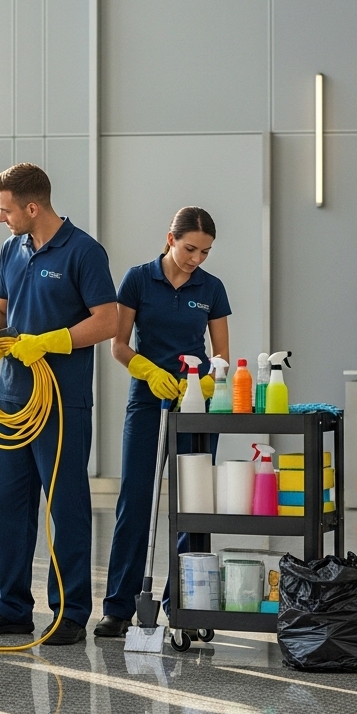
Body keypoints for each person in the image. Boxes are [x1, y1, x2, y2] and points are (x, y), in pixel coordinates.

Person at [0, 163, 118, 646]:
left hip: (62, 402)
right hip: (10, 399)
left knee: (65, 506)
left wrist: (50, 341)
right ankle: (10, 607)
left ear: (32, 207)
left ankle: (70, 612)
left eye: (6, 210)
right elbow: (0, 307)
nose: (0, 218)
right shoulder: (12, 249)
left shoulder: (84, 251)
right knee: (6, 503)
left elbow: (107, 320)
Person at [97, 206, 231, 639]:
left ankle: (186, 605)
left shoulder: (212, 288)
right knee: (135, 500)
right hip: (147, 400)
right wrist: (149, 372)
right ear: (170, 239)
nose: (196, 259)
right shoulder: (138, 280)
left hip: (195, 404)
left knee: (193, 505)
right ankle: (119, 606)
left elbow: (222, 354)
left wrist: (208, 381)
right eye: (190, 248)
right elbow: (119, 345)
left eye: (205, 252)